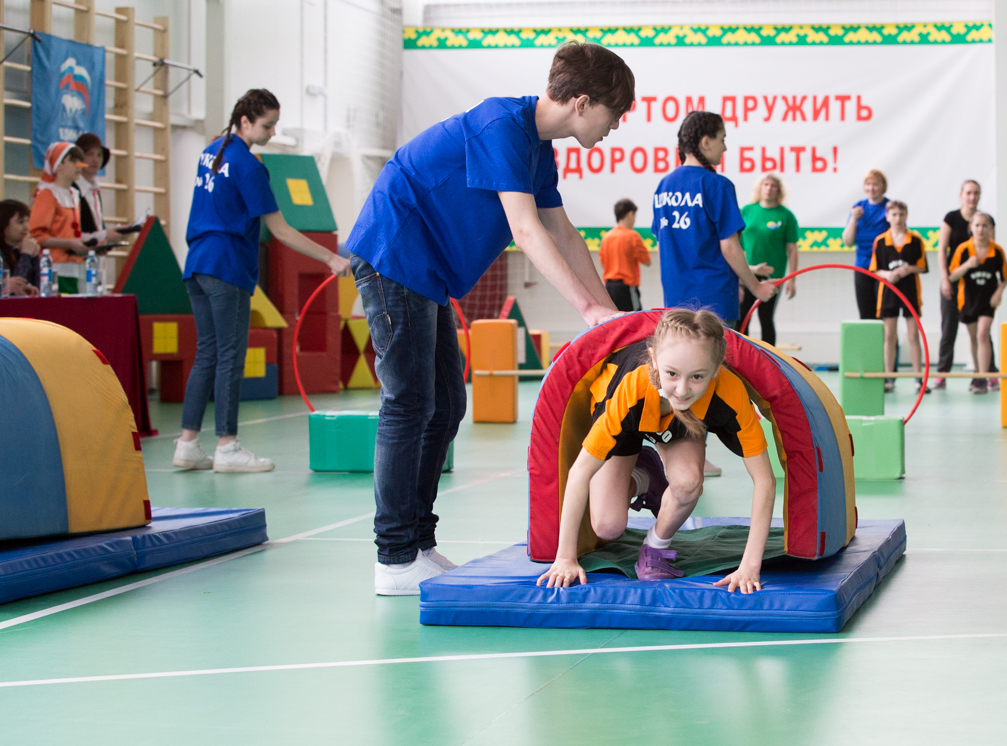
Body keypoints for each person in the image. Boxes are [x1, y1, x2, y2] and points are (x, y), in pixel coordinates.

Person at [345, 43, 634, 595]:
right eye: (614, 113)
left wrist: (609, 315)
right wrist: (587, 309)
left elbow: (563, 233)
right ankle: (394, 556)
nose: (616, 125)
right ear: (581, 103)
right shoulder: (501, 124)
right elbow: (526, 230)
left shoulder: (537, 148)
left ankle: (417, 545)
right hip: (394, 254)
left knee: (447, 404)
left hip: (425, 271)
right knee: (409, 402)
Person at [536, 309, 775, 593]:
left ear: (715, 369)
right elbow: (580, 472)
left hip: (683, 424)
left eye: (697, 376)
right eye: (672, 373)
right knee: (607, 526)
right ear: (654, 358)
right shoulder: (630, 389)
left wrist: (749, 566)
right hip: (627, 420)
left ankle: (655, 547)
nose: (682, 389)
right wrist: (565, 558)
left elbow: (765, 480)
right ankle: (643, 477)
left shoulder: (728, 392)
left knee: (687, 482)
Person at [174, 89, 350, 474]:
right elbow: (281, 230)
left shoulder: (212, 151)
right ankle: (227, 446)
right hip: (226, 267)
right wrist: (331, 258)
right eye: (268, 126)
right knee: (230, 357)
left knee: (207, 354)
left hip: (197, 265)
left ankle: (187, 444)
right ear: (245, 122)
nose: (273, 133)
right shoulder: (248, 167)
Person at [653, 110, 775, 326]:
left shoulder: (664, 186)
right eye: (722, 139)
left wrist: (747, 272)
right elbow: (729, 248)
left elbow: (666, 245)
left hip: (675, 304)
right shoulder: (718, 185)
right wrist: (756, 287)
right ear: (706, 142)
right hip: (714, 304)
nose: (725, 148)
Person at [934, 180, 998, 390]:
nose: (972, 197)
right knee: (948, 329)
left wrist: (995, 288)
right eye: (969, 192)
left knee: (982, 332)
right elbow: (942, 249)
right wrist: (945, 278)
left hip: (978, 286)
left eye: (976, 193)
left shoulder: (987, 220)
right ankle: (942, 373)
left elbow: (992, 252)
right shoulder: (951, 218)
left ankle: (989, 373)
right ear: (961, 194)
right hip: (954, 280)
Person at [947, 212, 1007, 394]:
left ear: (990, 228)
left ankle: (983, 377)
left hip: (987, 301)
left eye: (984, 225)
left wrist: (999, 292)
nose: (981, 229)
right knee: (974, 337)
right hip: (968, 300)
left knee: (983, 334)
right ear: (971, 228)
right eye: (977, 225)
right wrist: (967, 265)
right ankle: (978, 373)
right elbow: (952, 275)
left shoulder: (996, 250)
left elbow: (1006, 276)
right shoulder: (963, 250)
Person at [870, 200, 928, 393]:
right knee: (889, 335)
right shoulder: (880, 241)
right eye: (894, 215)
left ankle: (918, 378)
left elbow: (922, 266)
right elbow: (875, 269)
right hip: (888, 292)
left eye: (901, 214)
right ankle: (889, 377)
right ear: (887, 217)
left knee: (913, 334)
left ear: (906, 216)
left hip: (910, 290)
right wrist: (887, 275)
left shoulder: (915, 240)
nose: (898, 218)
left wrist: (909, 269)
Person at [739, 172, 799, 346]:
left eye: (773, 185)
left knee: (765, 316)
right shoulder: (747, 211)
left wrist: (792, 280)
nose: (769, 188)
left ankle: (768, 357)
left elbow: (792, 250)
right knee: (743, 316)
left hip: (773, 275)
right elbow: (735, 244)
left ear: (779, 190)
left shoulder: (786, 215)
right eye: (765, 184)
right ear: (759, 188)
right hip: (747, 272)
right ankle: (743, 356)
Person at [29, 142, 89, 264]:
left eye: (80, 161)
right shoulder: (47, 195)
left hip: (73, 263)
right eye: (73, 161)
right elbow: (36, 235)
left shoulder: (74, 194)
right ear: (58, 165)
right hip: (53, 264)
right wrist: (69, 243)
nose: (79, 166)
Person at [842, 169, 891, 320]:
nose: (871, 188)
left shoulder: (889, 207)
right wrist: (853, 219)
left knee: (884, 312)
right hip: (862, 265)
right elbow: (848, 241)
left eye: (875, 184)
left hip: (883, 266)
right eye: (868, 184)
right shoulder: (858, 207)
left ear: (883, 186)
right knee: (865, 312)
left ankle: (886, 336)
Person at [74, 132, 137, 245]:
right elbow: (71, 235)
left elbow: (95, 229)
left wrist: (113, 234)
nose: (95, 160)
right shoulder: (72, 190)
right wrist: (106, 235)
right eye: (89, 154)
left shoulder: (95, 190)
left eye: (99, 155)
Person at [0, 197, 37, 297]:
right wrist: (26, 254)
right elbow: (10, 290)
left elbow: (40, 286)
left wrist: (34, 257)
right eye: (20, 222)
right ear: (3, 224)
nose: (27, 227)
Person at [599, 198, 650, 312]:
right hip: (627, 287)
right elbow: (647, 261)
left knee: (613, 318)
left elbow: (603, 263)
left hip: (609, 288)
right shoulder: (632, 236)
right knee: (634, 318)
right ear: (630, 214)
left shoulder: (606, 237)